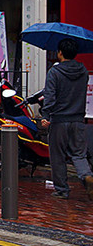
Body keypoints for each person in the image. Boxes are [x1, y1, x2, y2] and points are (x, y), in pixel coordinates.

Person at [39, 37, 93, 199]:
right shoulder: (83, 71)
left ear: (60, 53)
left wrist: (46, 115)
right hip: (78, 119)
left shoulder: (55, 72)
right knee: (79, 154)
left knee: (58, 155)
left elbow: (50, 96)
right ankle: (86, 175)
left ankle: (62, 190)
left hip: (59, 120)